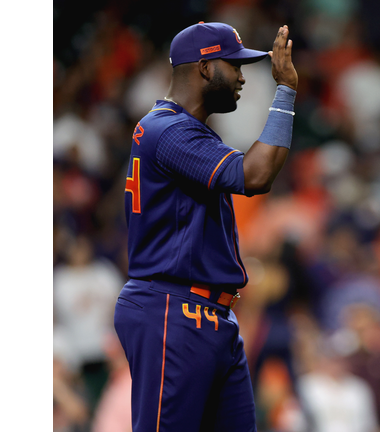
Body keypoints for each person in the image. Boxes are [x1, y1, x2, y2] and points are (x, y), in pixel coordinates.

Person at [114, 22, 298, 431]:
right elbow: (256, 175)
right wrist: (285, 91)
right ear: (203, 67)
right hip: (173, 308)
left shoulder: (182, 129)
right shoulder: (169, 130)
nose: (242, 75)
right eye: (233, 64)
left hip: (206, 314)